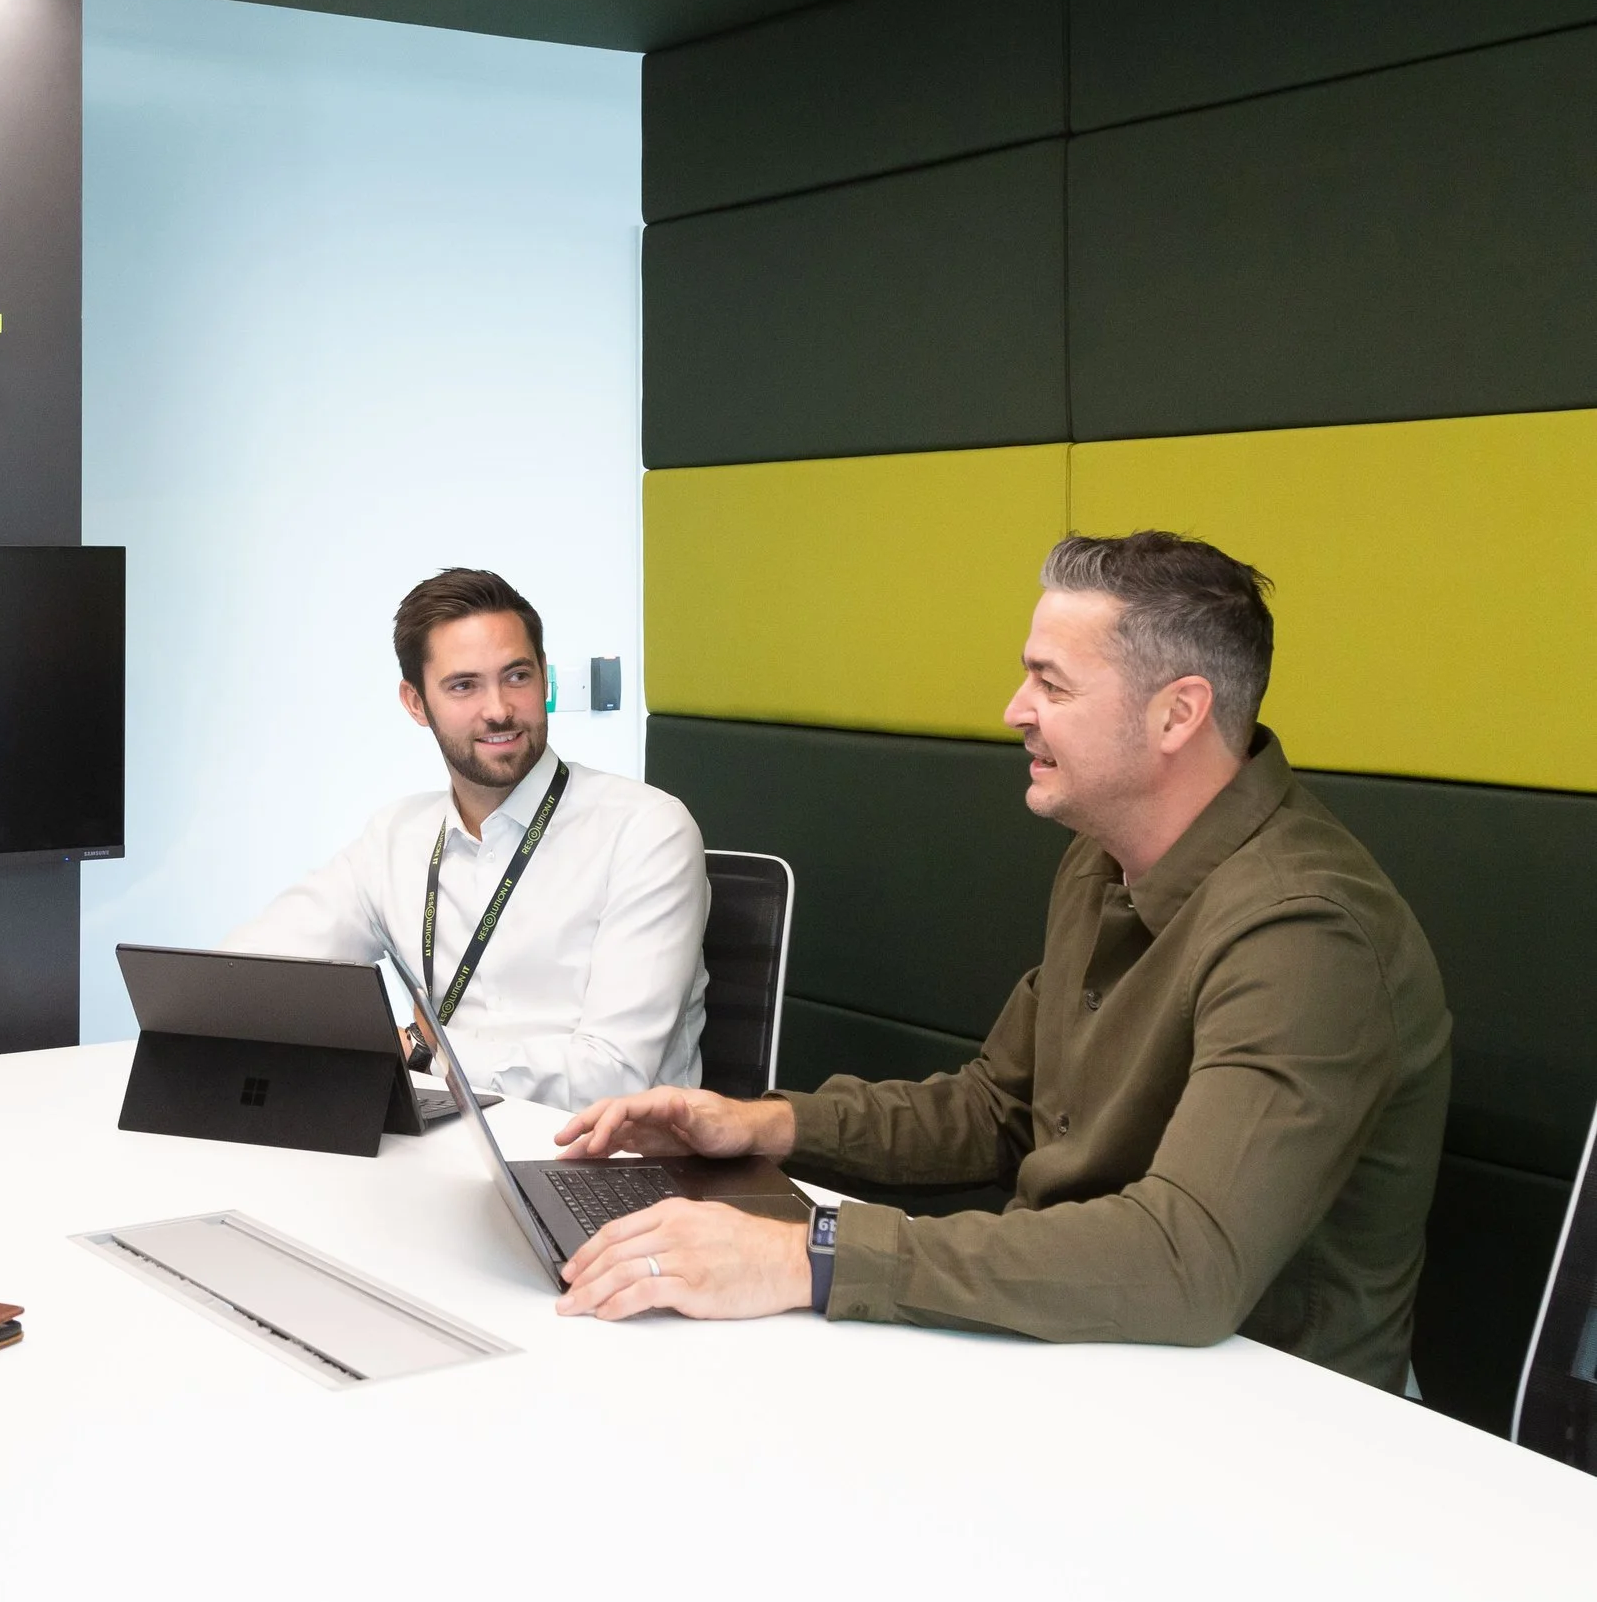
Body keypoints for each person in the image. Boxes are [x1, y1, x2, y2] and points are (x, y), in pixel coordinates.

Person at [550, 531, 1452, 1393]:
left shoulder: (1306, 931)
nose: (1016, 711)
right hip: (1091, 1347)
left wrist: (807, 1254)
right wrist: (756, 1126)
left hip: (1273, 1408)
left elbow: (1185, 1260)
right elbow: (998, 1110)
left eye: (1051, 684)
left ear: (1177, 713)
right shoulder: (1102, 860)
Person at [225, 568, 708, 1111]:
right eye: (464, 686)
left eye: (517, 676)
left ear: (544, 677)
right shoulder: (397, 838)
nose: (498, 709)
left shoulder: (645, 831)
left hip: (603, 1154)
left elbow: (615, 1078)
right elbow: (243, 979)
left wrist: (425, 1049)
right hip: (445, 1140)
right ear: (415, 702)